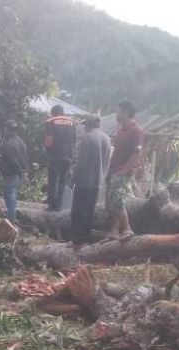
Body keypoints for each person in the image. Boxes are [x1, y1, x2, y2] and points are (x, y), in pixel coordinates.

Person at [70, 115, 112, 244]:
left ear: (88, 125)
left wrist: (73, 179)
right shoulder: (106, 138)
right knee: (89, 210)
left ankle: (77, 239)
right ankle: (86, 237)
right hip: (97, 180)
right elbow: (106, 161)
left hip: (84, 180)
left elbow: (81, 162)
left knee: (77, 211)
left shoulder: (87, 138)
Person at [105, 101, 143, 240]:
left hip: (123, 172)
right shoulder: (120, 130)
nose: (116, 114)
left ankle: (127, 228)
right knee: (112, 201)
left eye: (118, 111)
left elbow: (136, 153)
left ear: (126, 112)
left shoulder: (136, 130)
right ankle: (114, 230)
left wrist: (125, 170)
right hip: (114, 170)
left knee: (118, 199)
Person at [44, 105, 78, 211]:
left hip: (56, 155)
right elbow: (74, 140)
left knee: (53, 180)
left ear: (53, 113)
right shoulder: (71, 123)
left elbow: (49, 140)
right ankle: (59, 205)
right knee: (63, 180)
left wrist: (47, 150)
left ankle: (51, 205)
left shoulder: (51, 121)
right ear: (63, 113)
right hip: (68, 156)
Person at [0, 120, 28, 223]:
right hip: (17, 174)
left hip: (12, 174)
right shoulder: (21, 142)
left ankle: (11, 221)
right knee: (12, 197)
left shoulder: (9, 145)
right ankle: (12, 218)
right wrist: (24, 172)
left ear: (7, 129)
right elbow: (25, 160)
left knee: (10, 198)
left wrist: (20, 172)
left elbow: (13, 162)